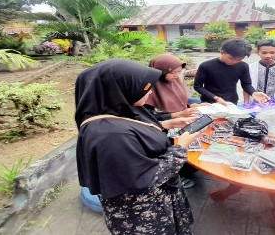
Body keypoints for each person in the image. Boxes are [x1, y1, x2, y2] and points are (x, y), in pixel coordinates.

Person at [75, 59, 198, 235]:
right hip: (144, 215)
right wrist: (180, 148)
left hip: (159, 202)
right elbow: (145, 178)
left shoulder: (117, 108)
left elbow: (136, 124)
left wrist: (166, 123)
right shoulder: (111, 136)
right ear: (120, 88)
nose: (149, 93)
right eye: (145, 88)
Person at [194, 38, 269, 105]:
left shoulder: (243, 66)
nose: (234, 62)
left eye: (239, 59)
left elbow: (246, 85)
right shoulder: (206, 66)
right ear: (222, 51)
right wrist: (216, 98)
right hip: (209, 103)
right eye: (231, 58)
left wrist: (253, 93)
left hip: (231, 103)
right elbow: (198, 86)